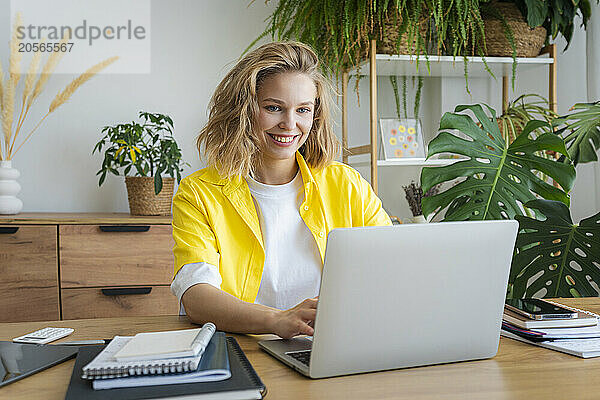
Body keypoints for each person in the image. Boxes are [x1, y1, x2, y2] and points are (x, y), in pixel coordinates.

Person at [170, 41, 391, 339]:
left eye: (303, 110)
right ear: (244, 111)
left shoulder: (347, 184)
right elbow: (196, 296)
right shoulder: (199, 192)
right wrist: (277, 320)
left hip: (330, 344)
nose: (290, 124)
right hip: (242, 347)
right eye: (274, 108)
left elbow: (391, 267)